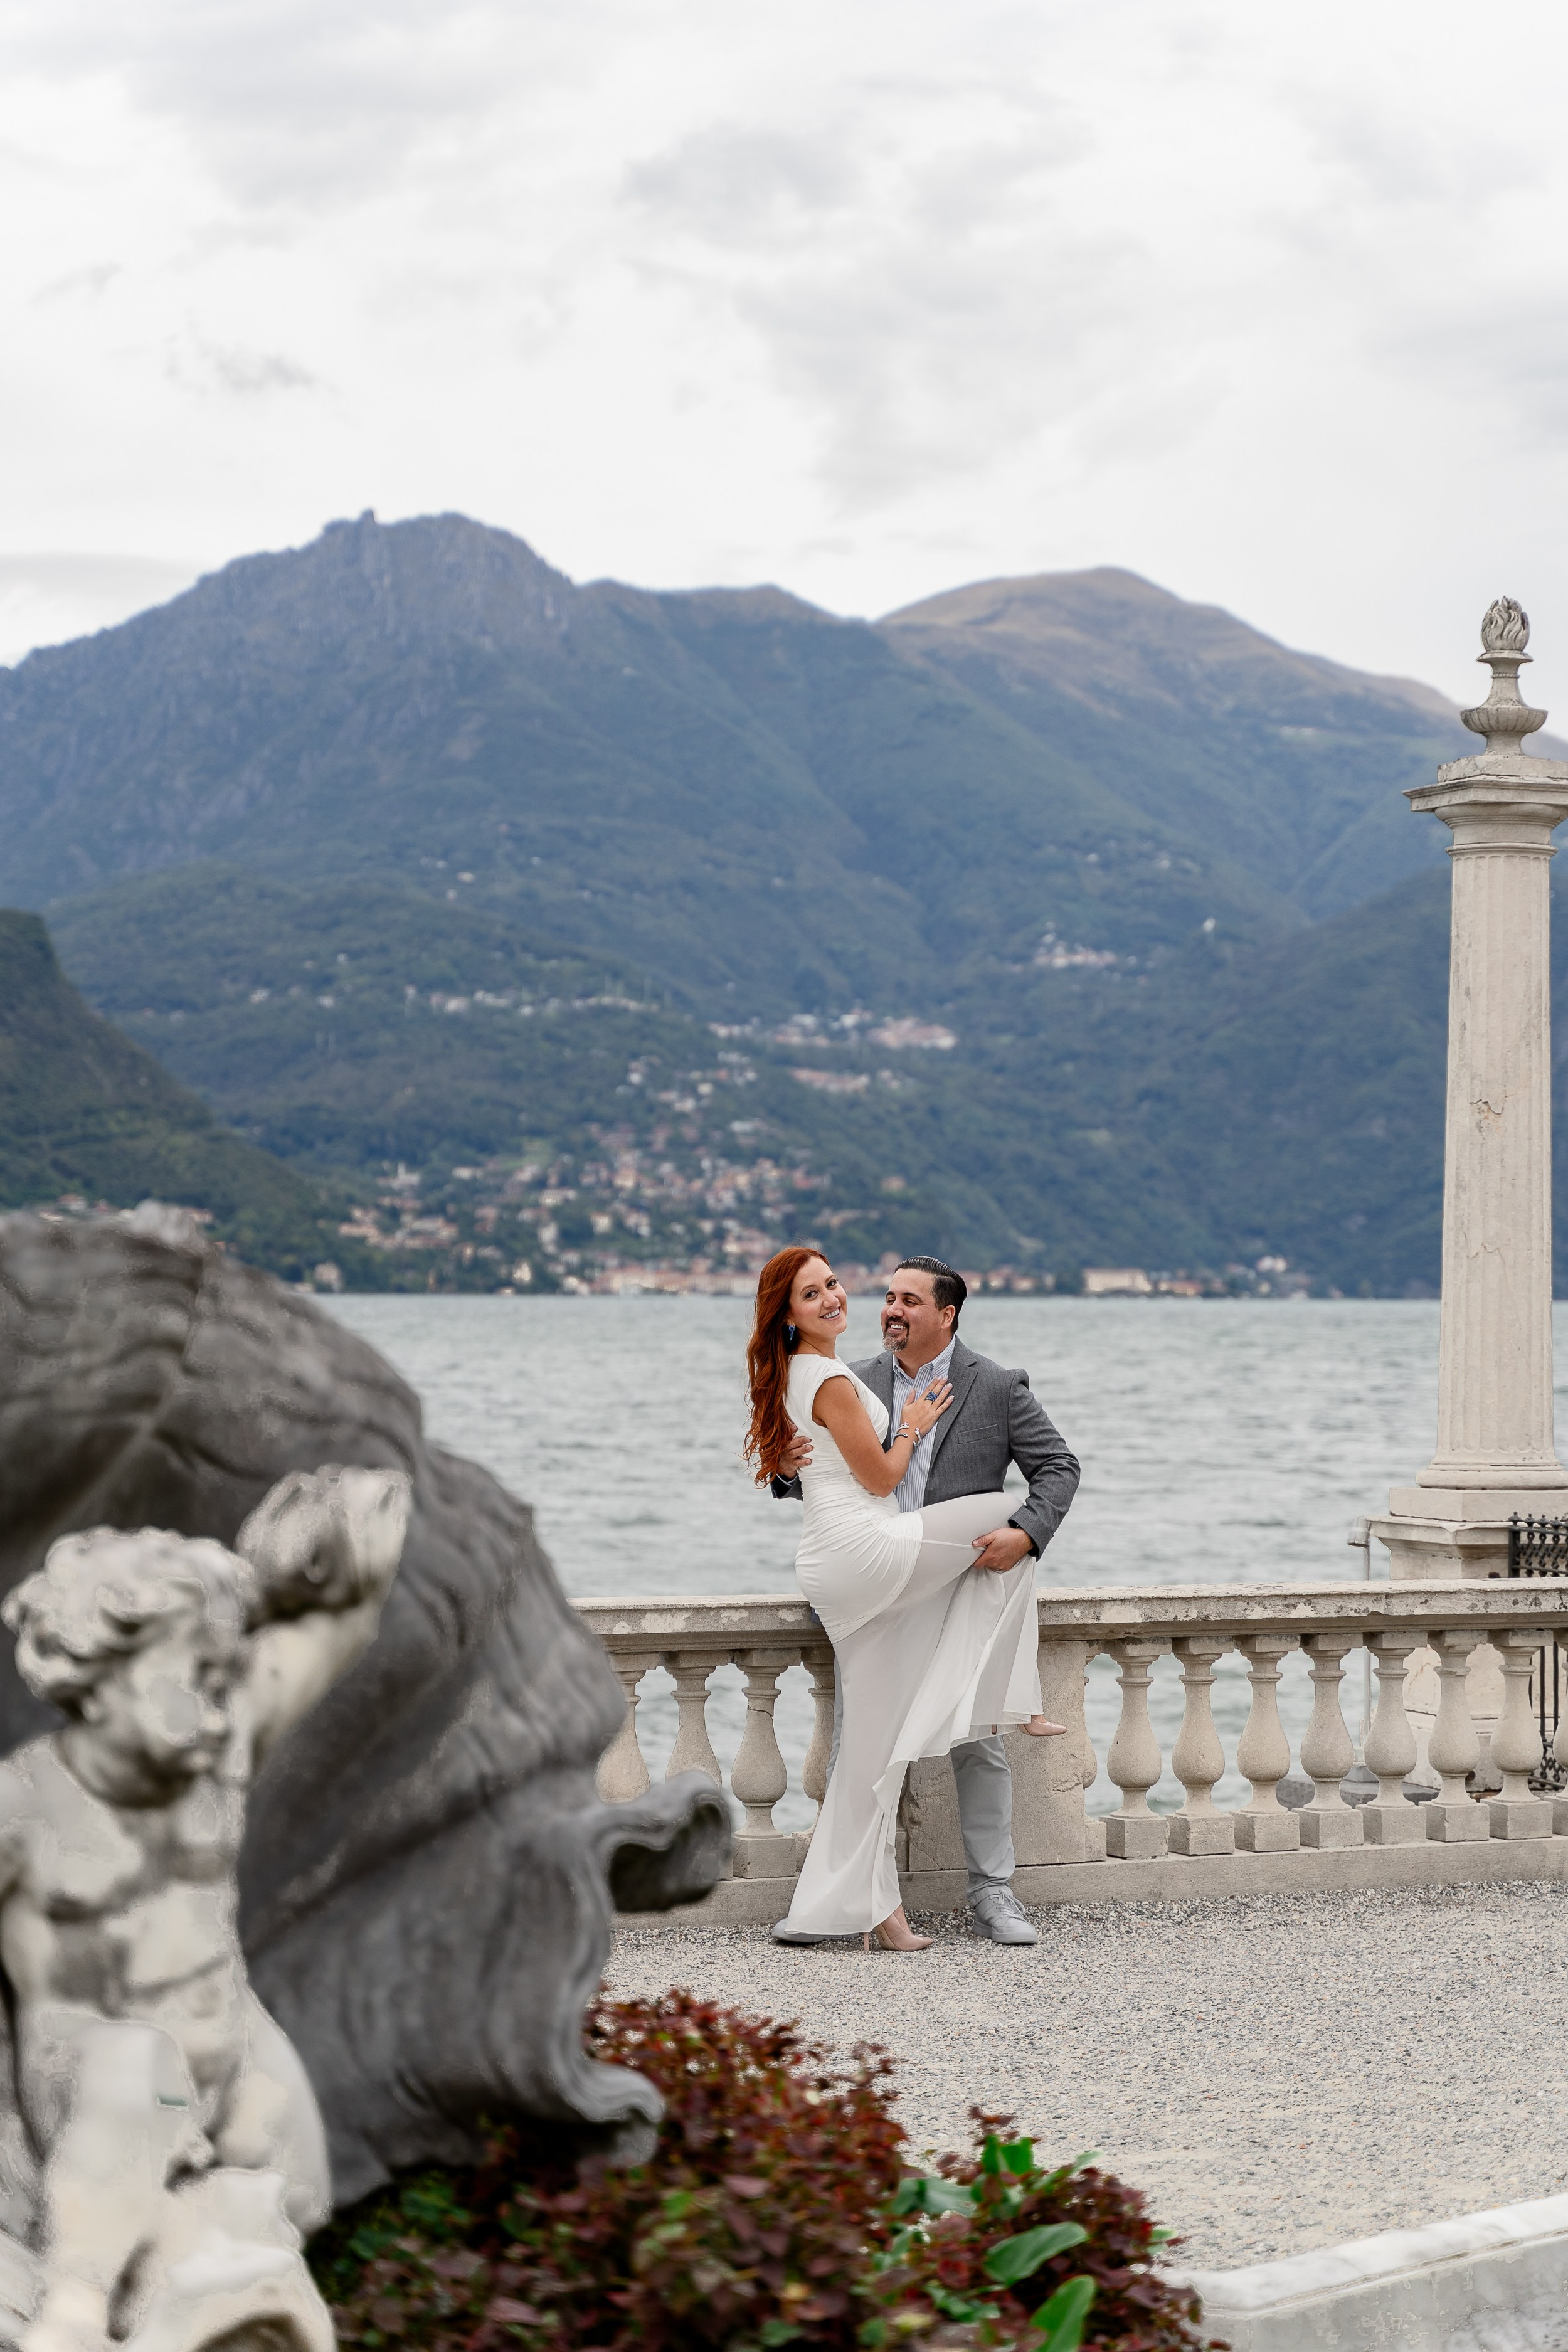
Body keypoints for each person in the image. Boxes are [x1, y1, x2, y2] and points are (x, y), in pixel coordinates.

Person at [0, 1464, 410, 2352]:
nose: (223, 1711)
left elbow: (344, 1616)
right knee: (135, 2064)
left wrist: (319, 1546)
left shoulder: (212, 1760)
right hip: (92, 2088)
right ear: (97, 1673)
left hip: (227, 2067)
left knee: (293, 2167)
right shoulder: (22, 1809)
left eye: (229, 1679)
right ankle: (73, 2303)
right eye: (197, 1679)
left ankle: (203, 2268)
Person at [745, 1247, 1074, 1954]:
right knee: (861, 1746)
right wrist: (784, 1469)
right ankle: (859, 1900)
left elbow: (1057, 1466)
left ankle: (983, 1893)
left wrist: (1026, 1534)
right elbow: (827, 1473)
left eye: (908, 1301)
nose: (888, 1309)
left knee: (975, 1741)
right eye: (889, 1297)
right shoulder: (850, 1375)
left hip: (949, 1583)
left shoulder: (994, 1386)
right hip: (882, 1572)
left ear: (946, 1314)